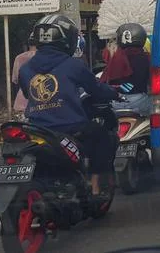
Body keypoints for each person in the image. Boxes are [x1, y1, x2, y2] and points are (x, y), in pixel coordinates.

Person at [18, 14, 119, 200]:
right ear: (68, 40)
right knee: (102, 135)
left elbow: (28, 94)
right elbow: (96, 89)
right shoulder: (74, 65)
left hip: (37, 129)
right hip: (70, 128)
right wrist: (113, 93)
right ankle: (95, 186)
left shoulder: (25, 69)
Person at [100, 23, 150, 94]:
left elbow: (129, 85)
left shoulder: (119, 57)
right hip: (141, 97)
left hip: (125, 97)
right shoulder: (146, 57)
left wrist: (109, 89)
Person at [11, 33, 38, 114]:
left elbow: (15, 79)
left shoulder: (19, 58)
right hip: (40, 94)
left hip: (22, 96)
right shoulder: (45, 57)